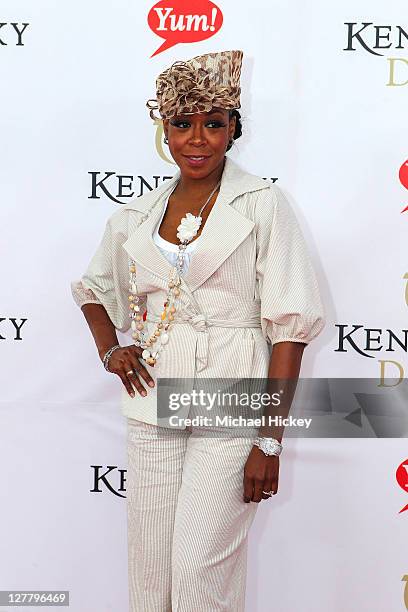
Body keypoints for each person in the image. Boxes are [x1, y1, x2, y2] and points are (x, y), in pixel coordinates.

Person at [71, 49, 325, 612]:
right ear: (164, 127)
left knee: (198, 578)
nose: (197, 139)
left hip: (231, 397)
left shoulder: (262, 205)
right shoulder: (136, 215)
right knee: (151, 577)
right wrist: (111, 347)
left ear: (234, 127)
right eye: (182, 124)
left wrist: (269, 439)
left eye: (214, 123)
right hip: (152, 402)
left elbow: (289, 328)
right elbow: (92, 289)